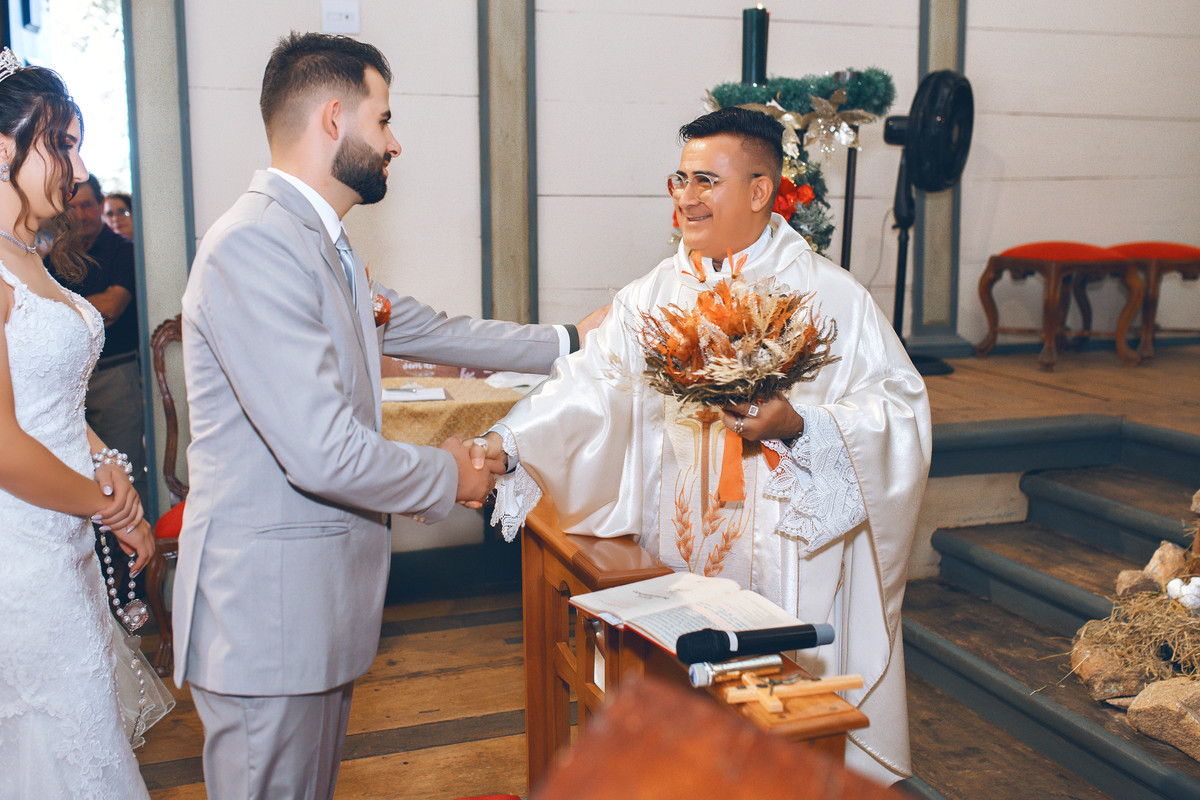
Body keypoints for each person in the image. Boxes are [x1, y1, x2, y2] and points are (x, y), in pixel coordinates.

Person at [174, 32, 601, 799]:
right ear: (334, 117)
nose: (394, 143)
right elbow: (322, 450)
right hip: (266, 616)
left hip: (310, 610)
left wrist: (569, 340)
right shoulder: (256, 245)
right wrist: (453, 475)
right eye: (384, 119)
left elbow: (430, 329)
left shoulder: (321, 242)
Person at [477, 107, 931, 784]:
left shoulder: (830, 298)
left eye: (706, 181)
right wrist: (510, 443)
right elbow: (590, 385)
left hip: (786, 565)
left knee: (776, 755)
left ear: (759, 190)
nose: (686, 196)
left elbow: (899, 413)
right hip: (677, 553)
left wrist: (799, 426)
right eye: (680, 179)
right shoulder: (654, 296)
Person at [0, 51, 157, 797]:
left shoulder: (27, 254)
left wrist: (109, 470)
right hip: (20, 551)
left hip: (64, 536)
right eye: (61, 143)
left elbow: (55, 403)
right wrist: (104, 505)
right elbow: (4, 443)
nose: (80, 165)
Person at [49, 173, 148, 506]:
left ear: (101, 203)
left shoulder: (124, 250)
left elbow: (111, 306)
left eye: (88, 205)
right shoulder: (55, 258)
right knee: (77, 475)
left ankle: (136, 536)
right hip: (66, 382)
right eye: (73, 207)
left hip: (115, 374)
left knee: (125, 470)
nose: (82, 214)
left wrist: (59, 311)